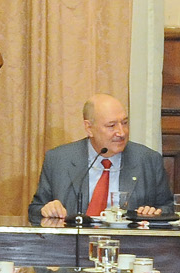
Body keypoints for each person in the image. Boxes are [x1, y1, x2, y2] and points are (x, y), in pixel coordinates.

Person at [28, 93, 172, 224]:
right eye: (111, 125)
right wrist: (46, 210)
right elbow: (34, 210)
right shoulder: (59, 160)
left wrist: (154, 213)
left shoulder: (148, 160)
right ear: (89, 128)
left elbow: (168, 209)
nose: (121, 132)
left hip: (129, 247)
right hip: (71, 246)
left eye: (124, 123)